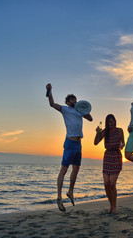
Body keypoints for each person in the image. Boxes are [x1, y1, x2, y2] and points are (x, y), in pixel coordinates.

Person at [46, 83, 93, 212]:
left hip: (79, 144)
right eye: (71, 99)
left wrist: (83, 109)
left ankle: (70, 192)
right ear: (67, 102)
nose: (74, 100)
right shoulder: (65, 109)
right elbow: (51, 104)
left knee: (76, 169)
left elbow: (91, 119)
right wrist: (49, 91)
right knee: (64, 170)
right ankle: (59, 198)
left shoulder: (79, 111)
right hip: (70, 143)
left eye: (75, 99)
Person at [94, 114, 124, 214]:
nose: (110, 123)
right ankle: (111, 205)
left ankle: (114, 206)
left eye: (112, 121)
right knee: (106, 183)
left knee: (112, 183)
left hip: (116, 157)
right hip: (107, 157)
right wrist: (97, 133)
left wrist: (122, 145)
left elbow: (123, 142)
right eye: (108, 122)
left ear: (115, 121)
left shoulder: (119, 130)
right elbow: (95, 142)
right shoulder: (104, 132)